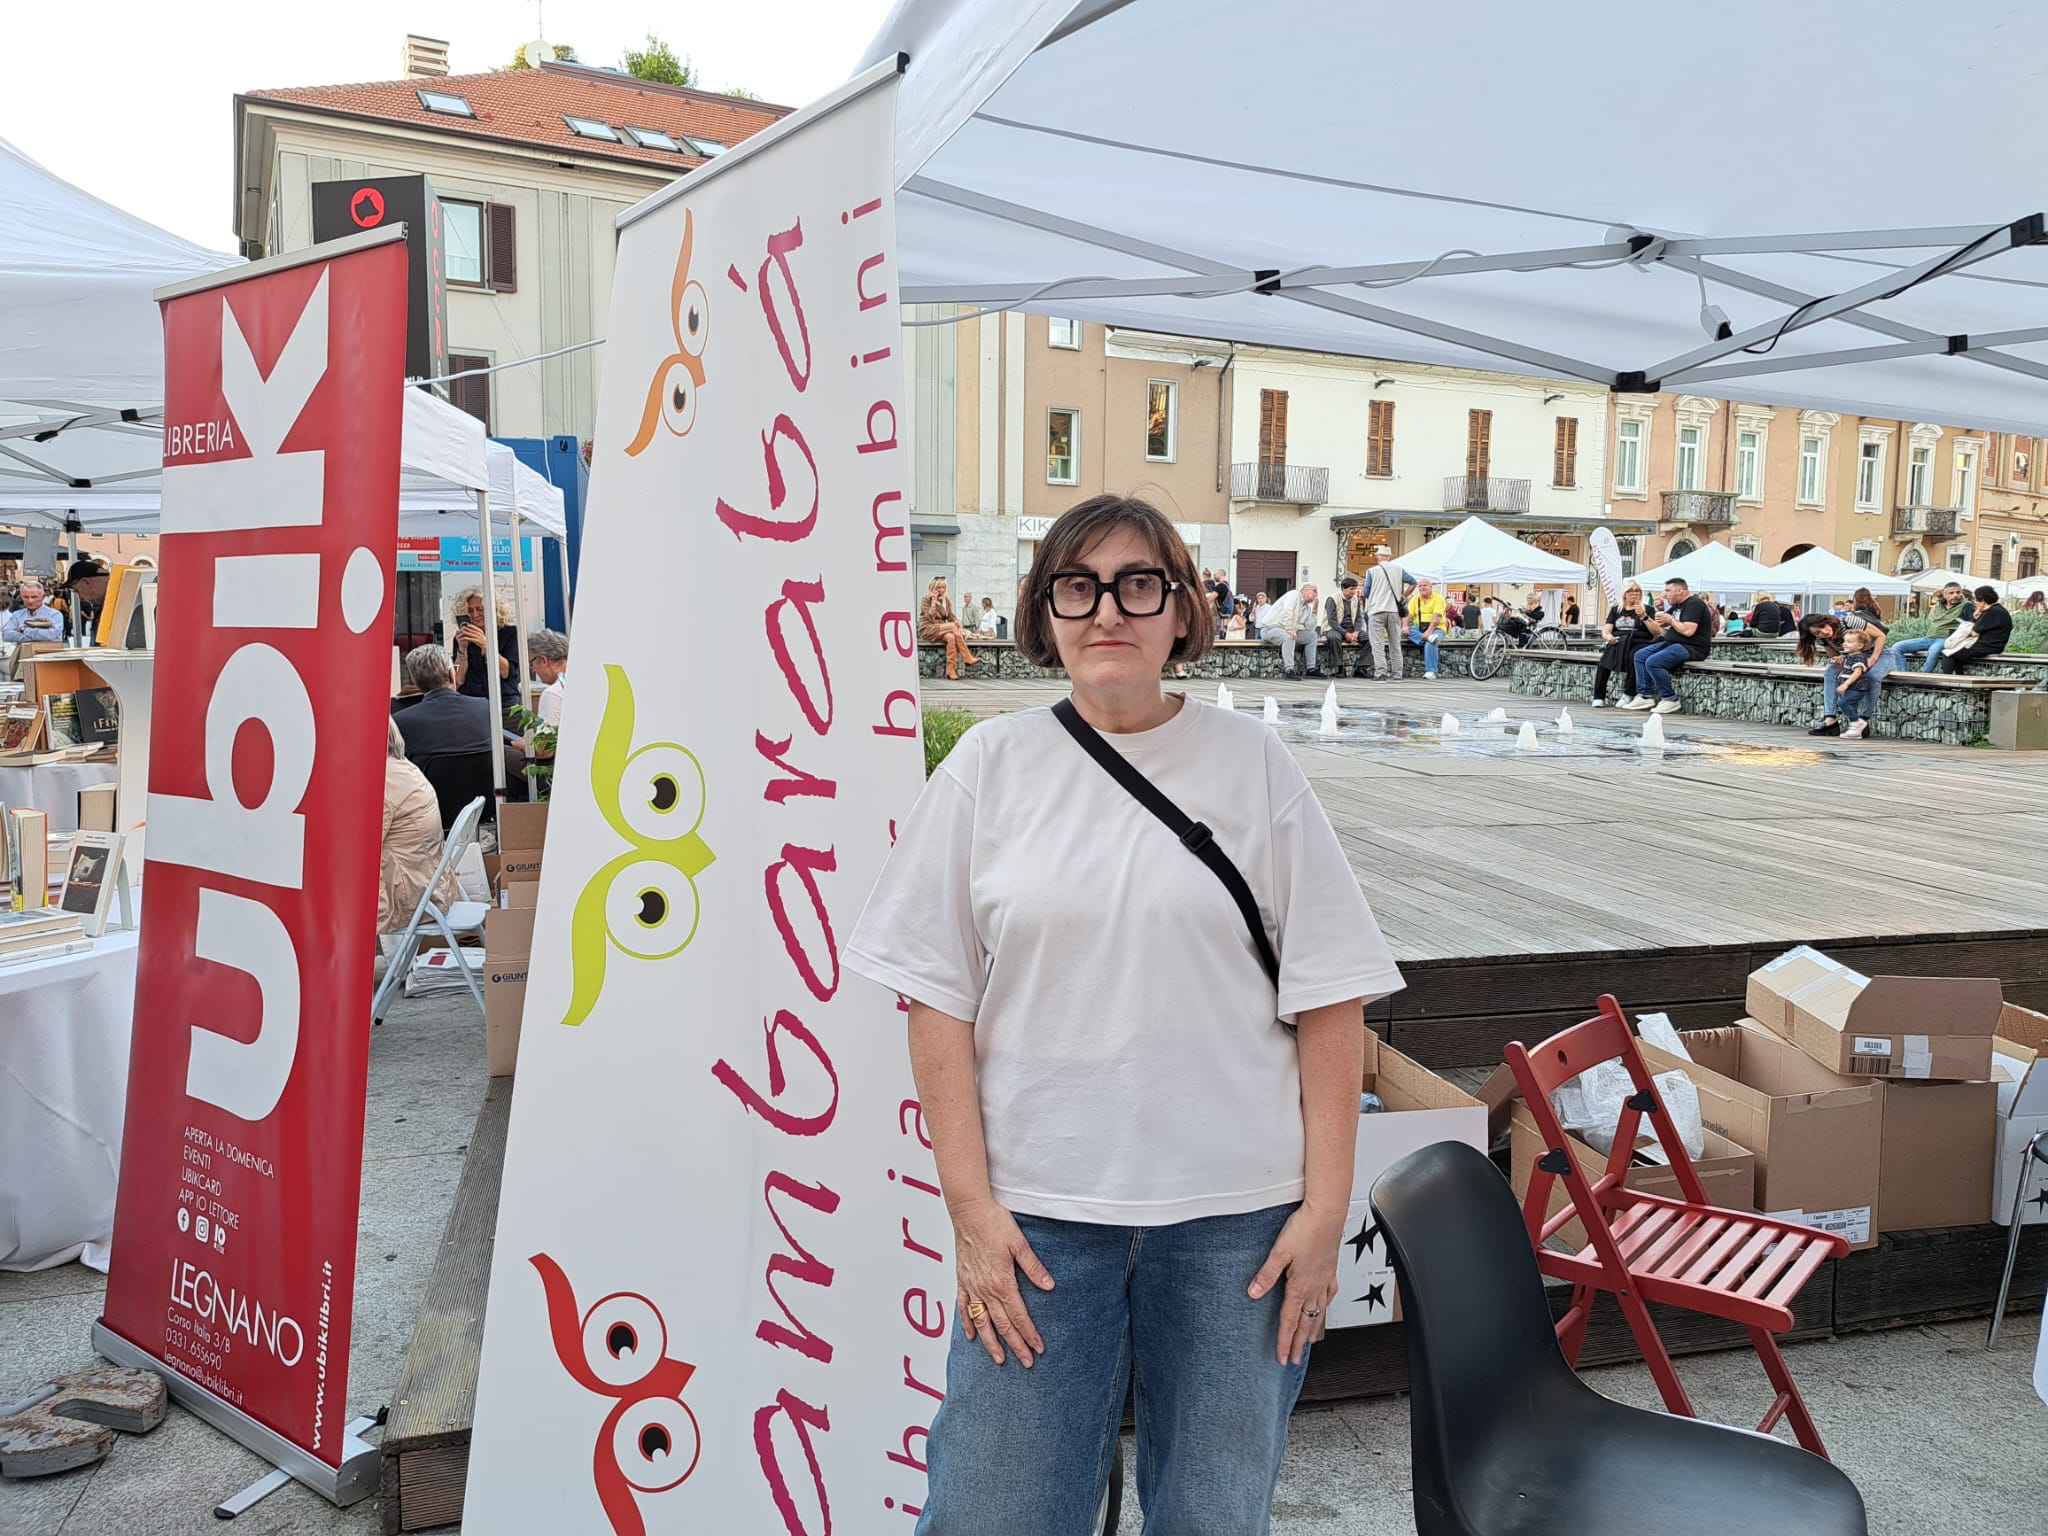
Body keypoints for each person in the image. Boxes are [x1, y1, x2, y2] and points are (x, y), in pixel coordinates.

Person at [843, 492, 1403, 1535]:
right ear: (1043, 612)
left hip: (1239, 1228)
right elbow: (934, 1000)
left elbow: (1330, 996)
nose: (1108, 609)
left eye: (1138, 584)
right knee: (992, 1511)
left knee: (1211, 1513)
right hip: (1039, 1222)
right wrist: (969, 1213)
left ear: (1181, 612)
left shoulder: (1255, 768)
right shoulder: (988, 770)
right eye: (1078, 585)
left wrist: (1324, 1214)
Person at [381, 717, 460, 933]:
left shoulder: (381, 779)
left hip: (404, 897)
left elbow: (357, 845)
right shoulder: (403, 767)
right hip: (427, 886)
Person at [396, 643, 501, 759]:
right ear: (452, 674)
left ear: (415, 681)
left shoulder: (400, 722)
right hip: (483, 777)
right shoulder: (485, 708)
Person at [1624, 577, 1712, 714]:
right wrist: (1646, 615)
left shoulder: (1694, 604)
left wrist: (1670, 619)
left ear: (1680, 590)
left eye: (1668, 590)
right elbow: (1661, 624)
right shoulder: (1678, 604)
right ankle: (1645, 695)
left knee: (1653, 662)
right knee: (1640, 655)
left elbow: (1688, 631)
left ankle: (1670, 698)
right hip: (1672, 643)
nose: (1665, 594)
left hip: (1691, 646)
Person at [1796, 609, 1891, 736]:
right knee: (1831, 672)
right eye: (1818, 632)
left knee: (1872, 676)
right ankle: (1830, 720)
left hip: (1880, 653)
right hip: (1853, 658)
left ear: (1826, 621)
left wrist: (1873, 658)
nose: (1824, 632)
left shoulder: (1848, 621)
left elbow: (1880, 636)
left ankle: (1862, 720)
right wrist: (1838, 658)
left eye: (1823, 626)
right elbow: (1835, 656)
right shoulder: (1823, 639)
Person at [449, 585, 521, 720]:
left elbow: (507, 672)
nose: (475, 615)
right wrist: (462, 650)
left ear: (493, 609)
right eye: (470, 610)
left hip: (504, 704)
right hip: (472, 703)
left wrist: (486, 645)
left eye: (480, 609)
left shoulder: (510, 633)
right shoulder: (461, 637)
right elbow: (458, 680)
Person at [1891, 582, 1974, 674]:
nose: (1955, 595)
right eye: (1951, 593)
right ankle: (1904, 676)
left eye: (1958, 592)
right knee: (1897, 647)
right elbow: (1932, 619)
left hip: (1947, 639)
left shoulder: (1967, 606)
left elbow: (1970, 625)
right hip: (1929, 638)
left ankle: (1923, 677)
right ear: (1944, 595)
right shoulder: (1938, 606)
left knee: (1933, 651)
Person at [1591, 581, 1651, 708]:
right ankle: (1598, 696)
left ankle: (1628, 693)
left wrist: (1644, 616)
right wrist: (1608, 637)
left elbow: (1656, 631)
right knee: (1604, 661)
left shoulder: (1648, 609)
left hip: (1639, 641)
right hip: (1619, 640)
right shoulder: (1616, 610)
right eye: (1631, 590)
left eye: (1637, 591)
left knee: (1635, 657)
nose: (1634, 593)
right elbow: (1606, 629)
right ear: (1624, 594)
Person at [1361, 545, 1414, 681]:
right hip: (1394, 610)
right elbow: (1413, 582)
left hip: (1376, 609)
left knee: (1377, 643)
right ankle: (1397, 673)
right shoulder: (1399, 569)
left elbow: (1366, 592)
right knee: (1395, 643)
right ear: (1390, 557)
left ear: (1379, 557)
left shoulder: (1372, 571)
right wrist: (1404, 595)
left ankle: (1380, 673)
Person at [1938, 586, 2012, 674]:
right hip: (1995, 645)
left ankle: (1948, 680)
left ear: (1983, 601)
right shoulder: (1999, 610)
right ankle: (1959, 679)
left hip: (1986, 646)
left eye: (1976, 600)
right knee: (1956, 655)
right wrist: (1976, 615)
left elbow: (1974, 632)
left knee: (1948, 654)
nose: (1975, 603)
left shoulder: (1991, 612)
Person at [921, 576, 982, 680]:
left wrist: (956, 620)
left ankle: (951, 670)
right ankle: (967, 656)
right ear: (933, 587)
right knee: (953, 627)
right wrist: (933, 603)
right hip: (928, 627)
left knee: (951, 637)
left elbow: (950, 615)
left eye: (943, 587)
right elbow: (930, 617)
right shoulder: (926, 599)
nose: (941, 590)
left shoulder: (946, 601)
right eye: (938, 587)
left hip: (941, 628)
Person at [1828, 629, 1884, 740]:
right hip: (1851, 686)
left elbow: (1857, 673)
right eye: (1845, 641)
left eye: (1849, 642)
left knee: (1843, 703)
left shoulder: (1859, 658)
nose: (1845, 644)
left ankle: (1857, 723)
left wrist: (1846, 684)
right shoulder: (1850, 657)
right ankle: (1856, 729)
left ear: (1859, 646)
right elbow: (1848, 669)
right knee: (1844, 703)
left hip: (1857, 687)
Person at [1259, 582, 1320, 678]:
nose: (1316, 594)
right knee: (1289, 636)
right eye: (1314, 591)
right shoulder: (1294, 594)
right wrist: (1289, 628)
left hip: (1289, 630)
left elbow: (1309, 627)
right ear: (1305, 590)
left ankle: (1311, 669)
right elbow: (1287, 610)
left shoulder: (1307, 608)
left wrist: (1314, 611)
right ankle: (1289, 670)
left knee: (1312, 636)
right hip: (1270, 628)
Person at [1322, 575, 1367, 677]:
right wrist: (1345, 633)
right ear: (1343, 588)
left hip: (1351, 629)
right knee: (1333, 638)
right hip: (1334, 628)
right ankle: (1339, 667)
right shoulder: (1332, 599)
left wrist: (1356, 631)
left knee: (1370, 639)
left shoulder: (1355, 599)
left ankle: (1361, 667)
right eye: (1351, 589)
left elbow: (1359, 617)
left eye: (1354, 589)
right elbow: (1332, 620)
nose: (1353, 592)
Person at [1405, 576, 1448, 680]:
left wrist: (1429, 631)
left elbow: (1437, 617)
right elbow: (1408, 615)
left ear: (1431, 587)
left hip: (1437, 628)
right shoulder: (1415, 599)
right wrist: (1404, 626)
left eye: (1425, 585)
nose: (1422, 588)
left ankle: (1431, 671)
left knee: (1431, 643)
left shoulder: (1438, 599)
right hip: (1419, 628)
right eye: (1420, 586)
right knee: (1408, 631)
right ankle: (1429, 638)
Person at [0, 577, 66, 644]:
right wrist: (37, 636)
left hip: (49, 653)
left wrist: (23, 630)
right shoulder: (16, 615)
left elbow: (50, 635)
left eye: (34, 597)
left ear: (42, 597)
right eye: (26, 597)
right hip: (24, 653)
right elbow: (6, 635)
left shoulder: (54, 615)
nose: (30, 601)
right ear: (21, 597)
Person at [528, 627, 569, 731]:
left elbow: (547, 745)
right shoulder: (587, 681)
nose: (533, 670)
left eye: (531, 664)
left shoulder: (553, 693)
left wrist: (525, 745)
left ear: (543, 660)